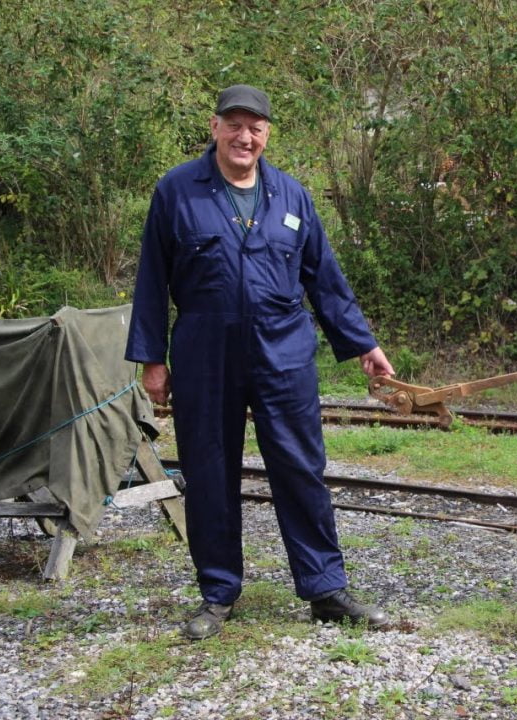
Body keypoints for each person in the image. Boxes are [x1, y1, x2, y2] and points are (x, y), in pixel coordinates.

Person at [126, 84, 396, 640]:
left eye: (255, 127)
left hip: (283, 351)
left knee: (300, 466)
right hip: (205, 350)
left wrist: (364, 344)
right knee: (208, 471)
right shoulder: (177, 190)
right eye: (234, 124)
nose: (244, 136)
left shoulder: (292, 196)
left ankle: (324, 588)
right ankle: (218, 593)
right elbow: (152, 281)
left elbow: (325, 279)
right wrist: (151, 360)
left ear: (267, 133)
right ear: (215, 127)